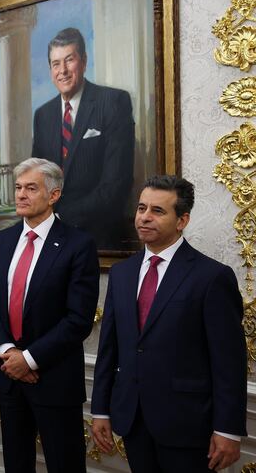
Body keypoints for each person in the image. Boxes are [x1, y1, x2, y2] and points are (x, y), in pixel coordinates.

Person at [91, 175, 247, 472]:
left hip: (188, 424)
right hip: (133, 418)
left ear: (182, 220)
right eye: (141, 208)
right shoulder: (122, 274)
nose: (144, 218)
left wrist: (227, 429)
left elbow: (229, 362)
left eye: (157, 211)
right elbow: (109, 348)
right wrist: (100, 409)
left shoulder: (212, 277)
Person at [0, 157, 99, 473]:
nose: (20, 195)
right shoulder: (2, 241)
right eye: (18, 187)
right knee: (17, 464)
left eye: (31, 188)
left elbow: (78, 319)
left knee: (65, 465)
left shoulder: (78, 245)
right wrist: (8, 353)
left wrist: (28, 359)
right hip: (9, 378)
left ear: (54, 195)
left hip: (54, 378)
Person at [31, 27, 135, 249]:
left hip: (98, 238)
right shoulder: (43, 115)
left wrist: (58, 219)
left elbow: (115, 185)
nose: (63, 71)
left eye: (69, 60)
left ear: (84, 61)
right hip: (50, 240)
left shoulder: (113, 102)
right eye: (56, 64)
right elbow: (36, 180)